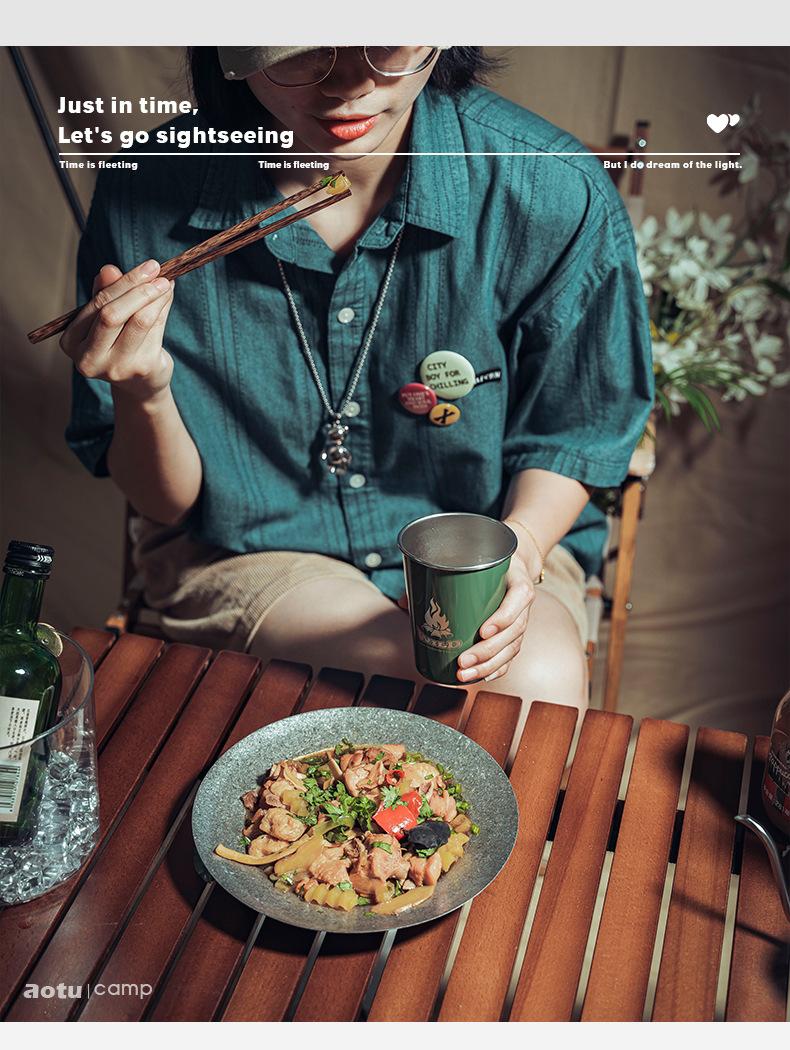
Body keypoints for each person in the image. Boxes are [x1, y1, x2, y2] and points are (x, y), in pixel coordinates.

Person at [62, 46, 654, 710]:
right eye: (303, 52)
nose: (349, 84)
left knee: (533, 678)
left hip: (491, 528)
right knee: (424, 676)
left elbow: (573, 431)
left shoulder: (550, 185)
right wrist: (142, 387)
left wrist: (522, 546)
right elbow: (167, 504)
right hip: (251, 549)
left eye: (386, 43)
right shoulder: (146, 189)